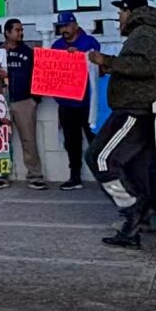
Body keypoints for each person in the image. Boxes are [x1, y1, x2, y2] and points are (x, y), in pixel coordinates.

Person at [91, 0, 156, 249]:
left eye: (120, 14)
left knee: (99, 158)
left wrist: (106, 61)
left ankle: (131, 209)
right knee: (136, 169)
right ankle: (136, 224)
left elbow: (142, 66)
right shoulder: (146, 33)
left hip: (134, 112)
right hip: (138, 111)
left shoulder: (144, 33)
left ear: (130, 11)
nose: (119, 19)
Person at [48, 14, 99, 190]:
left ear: (75, 25)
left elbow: (97, 64)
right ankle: (74, 176)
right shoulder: (57, 46)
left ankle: (105, 176)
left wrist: (79, 56)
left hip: (86, 103)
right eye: (61, 26)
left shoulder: (89, 42)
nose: (64, 30)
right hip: (66, 103)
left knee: (96, 140)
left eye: (67, 26)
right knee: (71, 142)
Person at [0, 18, 46, 190]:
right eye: (17, 30)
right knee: (1, 140)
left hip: (24, 101)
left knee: (29, 140)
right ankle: (0, 175)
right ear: (7, 32)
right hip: (2, 101)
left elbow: (38, 73)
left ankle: (35, 175)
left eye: (21, 30)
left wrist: (34, 99)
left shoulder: (28, 52)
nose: (20, 33)